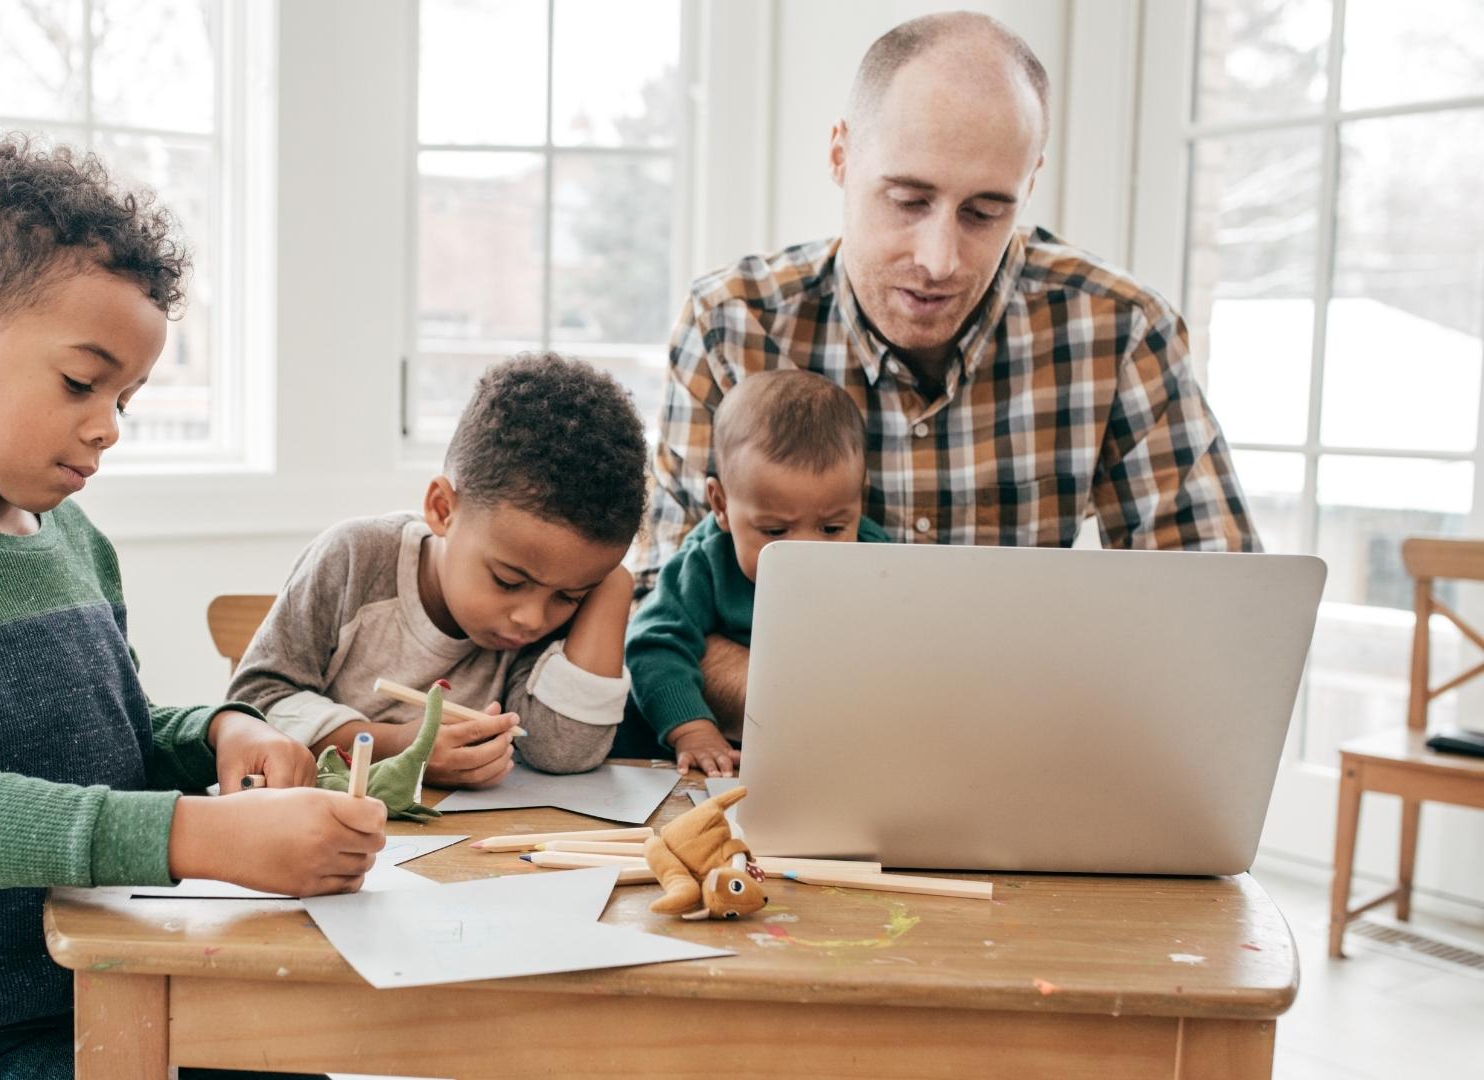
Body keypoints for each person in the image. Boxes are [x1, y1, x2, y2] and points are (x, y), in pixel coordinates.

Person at [0, 135, 382, 1079]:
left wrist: (224, 734)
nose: (109, 424)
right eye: (81, 381)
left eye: (127, 396)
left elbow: (111, 734)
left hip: (104, 974)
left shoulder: (71, 542)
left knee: (298, 1058)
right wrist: (203, 836)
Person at [631, 12, 1259, 729]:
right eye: (909, 200)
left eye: (985, 212)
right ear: (840, 155)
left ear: (1031, 182)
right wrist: (869, 710)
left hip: (1022, 759)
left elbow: (1220, 619)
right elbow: (659, 607)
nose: (940, 260)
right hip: (778, 771)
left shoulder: (1120, 332)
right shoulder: (729, 323)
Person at [230, 352, 646, 786]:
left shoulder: (554, 600)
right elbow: (253, 705)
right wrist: (397, 746)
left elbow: (561, 749)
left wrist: (613, 584)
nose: (532, 618)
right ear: (442, 509)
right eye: (508, 581)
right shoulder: (356, 558)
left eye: (569, 596)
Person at [625, 370, 890, 776]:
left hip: (841, 756)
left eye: (833, 529)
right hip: (725, 751)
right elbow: (653, 644)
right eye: (775, 531)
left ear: (859, 500)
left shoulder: (880, 559)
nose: (807, 552)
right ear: (721, 505)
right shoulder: (705, 561)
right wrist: (692, 730)